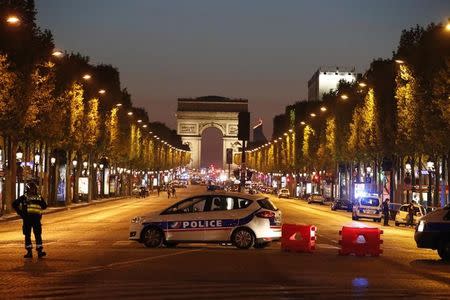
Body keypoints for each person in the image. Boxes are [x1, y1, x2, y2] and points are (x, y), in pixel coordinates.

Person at [12, 182, 48, 258]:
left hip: (29, 219)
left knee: (30, 235)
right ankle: (38, 252)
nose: (32, 190)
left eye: (33, 189)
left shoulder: (25, 197)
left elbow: (14, 204)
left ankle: (31, 252)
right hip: (33, 219)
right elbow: (44, 206)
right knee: (35, 235)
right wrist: (21, 213)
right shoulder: (38, 197)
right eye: (32, 189)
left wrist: (20, 212)